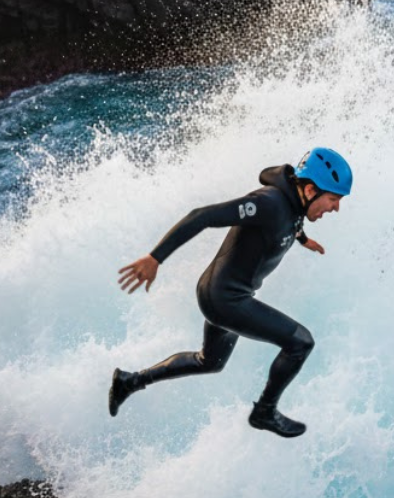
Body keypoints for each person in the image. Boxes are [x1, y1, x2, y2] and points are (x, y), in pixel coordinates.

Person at [110, 147, 353, 438]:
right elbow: (201, 216)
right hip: (224, 300)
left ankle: (129, 382)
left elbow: (291, 221)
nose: (336, 208)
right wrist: (155, 258)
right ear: (311, 190)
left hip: (228, 297)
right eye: (334, 199)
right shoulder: (268, 203)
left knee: (210, 362)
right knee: (301, 342)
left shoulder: (295, 204)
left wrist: (302, 239)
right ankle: (264, 412)